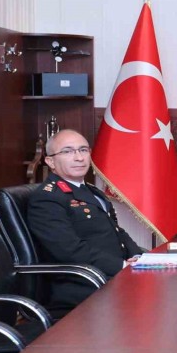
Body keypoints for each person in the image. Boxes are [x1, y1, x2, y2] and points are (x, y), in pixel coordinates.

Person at [27, 129, 143, 312]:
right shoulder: (48, 198)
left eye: (83, 150)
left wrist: (139, 258)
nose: (79, 158)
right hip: (85, 284)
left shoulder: (91, 191)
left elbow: (117, 232)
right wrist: (122, 266)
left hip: (112, 276)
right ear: (50, 161)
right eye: (67, 151)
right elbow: (69, 250)